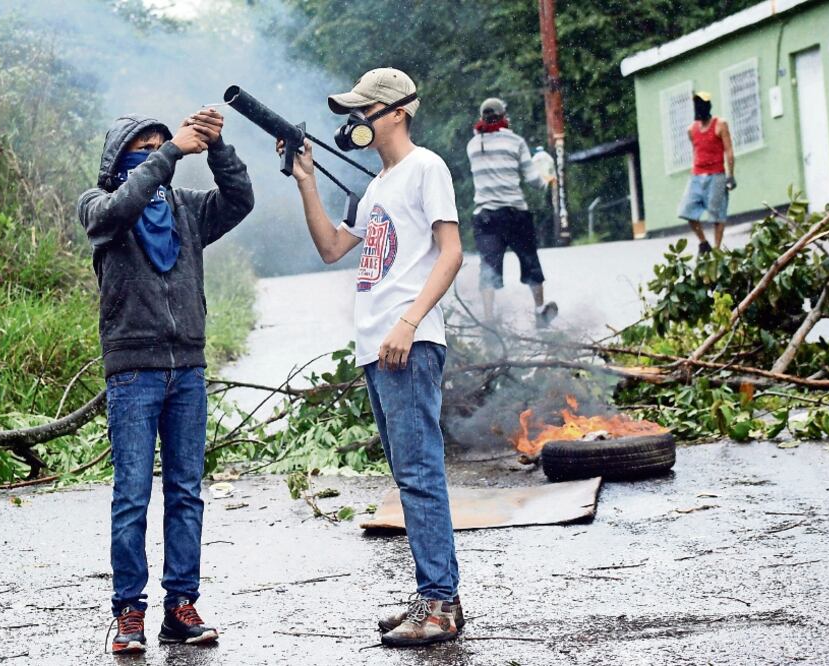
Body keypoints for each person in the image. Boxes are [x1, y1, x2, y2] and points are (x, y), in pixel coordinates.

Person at [278, 68, 464, 647]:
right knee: (408, 477)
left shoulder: (425, 168)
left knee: (420, 474)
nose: (354, 121)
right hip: (375, 347)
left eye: (363, 111)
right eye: (351, 112)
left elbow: (452, 253)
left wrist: (408, 322)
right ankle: (438, 597)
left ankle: (438, 604)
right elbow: (333, 248)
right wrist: (306, 181)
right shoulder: (378, 186)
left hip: (407, 341)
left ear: (397, 112)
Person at [77, 109, 254, 655]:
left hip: (189, 368)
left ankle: (181, 606)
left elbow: (240, 199)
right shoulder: (100, 206)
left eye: (161, 143)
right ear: (119, 158)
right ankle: (128, 612)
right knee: (131, 495)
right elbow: (124, 202)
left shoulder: (187, 209)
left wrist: (218, 146)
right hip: (133, 370)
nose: (157, 151)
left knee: (185, 493)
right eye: (144, 147)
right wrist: (173, 150)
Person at [467, 97, 558, 327]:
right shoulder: (515, 142)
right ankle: (540, 311)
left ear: (482, 116)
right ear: (504, 116)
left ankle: (488, 320)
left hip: (485, 217)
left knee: (488, 268)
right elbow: (533, 180)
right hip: (515, 214)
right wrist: (547, 179)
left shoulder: (473, 145)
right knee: (530, 263)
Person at [678, 91, 736, 255]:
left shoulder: (720, 124)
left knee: (717, 215)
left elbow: (729, 151)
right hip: (697, 175)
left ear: (708, 106)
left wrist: (730, 176)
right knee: (686, 210)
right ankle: (704, 243)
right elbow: (696, 152)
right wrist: (693, 175)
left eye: (701, 104)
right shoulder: (691, 129)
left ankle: (717, 249)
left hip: (716, 175)